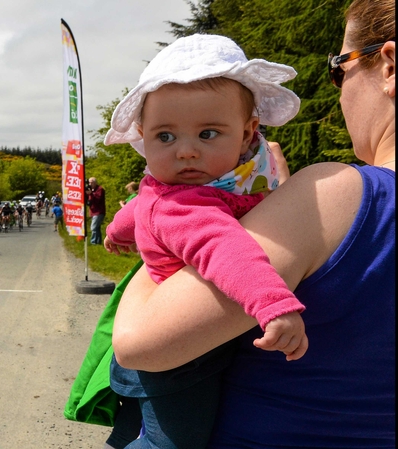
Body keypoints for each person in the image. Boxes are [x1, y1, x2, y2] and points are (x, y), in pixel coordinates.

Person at [111, 3, 395, 447]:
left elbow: (138, 342)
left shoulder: (331, 193)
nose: (339, 91)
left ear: (389, 66)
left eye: (339, 69)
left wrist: (152, 232)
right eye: (166, 136)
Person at [100, 33, 306, 448]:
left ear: (250, 134)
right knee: (173, 443)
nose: (186, 152)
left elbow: (137, 208)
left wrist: (115, 233)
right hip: (180, 358)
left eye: (208, 134)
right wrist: (274, 304)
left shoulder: (190, 185)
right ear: (143, 135)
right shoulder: (188, 205)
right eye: (165, 137)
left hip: (184, 336)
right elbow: (226, 250)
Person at [86, 177, 106, 245]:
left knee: (93, 227)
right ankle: (98, 241)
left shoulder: (100, 189)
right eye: (89, 182)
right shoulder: (91, 189)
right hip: (93, 211)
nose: (90, 184)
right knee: (97, 228)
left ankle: (93, 242)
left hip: (99, 211)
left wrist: (91, 193)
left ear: (95, 182)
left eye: (92, 182)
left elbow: (98, 199)